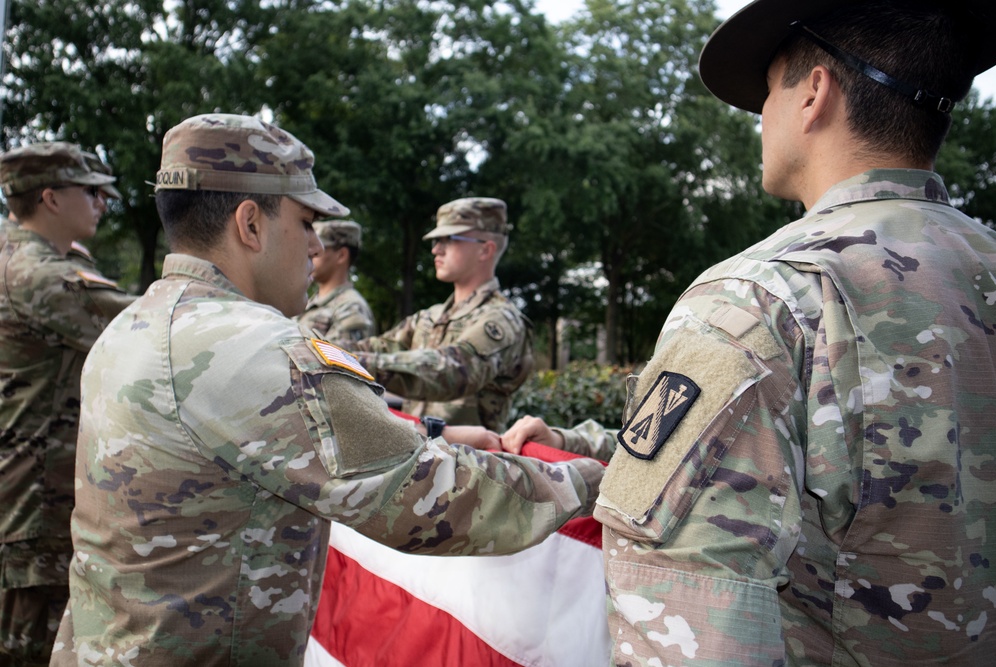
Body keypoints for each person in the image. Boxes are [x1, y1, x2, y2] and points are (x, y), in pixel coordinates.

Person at [502, 0, 996, 664]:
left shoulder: (761, 298)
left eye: (767, 92)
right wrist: (568, 442)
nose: (760, 118)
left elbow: (686, 618)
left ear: (814, 93)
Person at [50, 113, 603, 666]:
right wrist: (593, 478)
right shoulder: (262, 350)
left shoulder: (132, 326)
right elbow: (435, 498)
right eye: (307, 221)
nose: (315, 246)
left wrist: (434, 430)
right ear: (250, 224)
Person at [0, 142, 134, 666]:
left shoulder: (23, 258)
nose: (102, 203)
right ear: (52, 198)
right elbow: (145, 330)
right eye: (91, 192)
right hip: (35, 505)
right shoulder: (39, 276)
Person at [340, 197, 533, 432]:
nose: (436, 249)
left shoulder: (501, 319)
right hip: (422, 455)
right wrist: (319, 348)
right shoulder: (431, 317)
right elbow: (380, 347)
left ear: (485, 249)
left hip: (471, 463)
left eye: (449, 239)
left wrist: (349, 362)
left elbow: (452, 371)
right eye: (436, 240)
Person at [297, 219, 376, 341]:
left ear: (341, 255)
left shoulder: (352, 309)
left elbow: (336, 359)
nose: (310, 253)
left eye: (320, 248)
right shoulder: (309, 302)